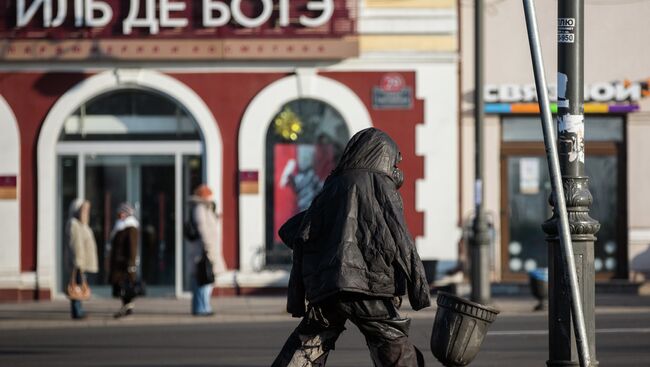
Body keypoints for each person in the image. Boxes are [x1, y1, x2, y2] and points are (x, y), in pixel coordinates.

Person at [272, 128, 431, 367]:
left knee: (310, 341)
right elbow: (402, 239)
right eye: (394, 162)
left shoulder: (334, 184)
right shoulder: (380, 185)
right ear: (383, 155)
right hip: (366, 285)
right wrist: (419, 291)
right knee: (392, 344)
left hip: (328, 285)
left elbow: (292, 230)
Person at [188, 184, 227, 316]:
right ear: (204, 196)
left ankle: (200, 307)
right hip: (204, 251)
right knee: (204, 280)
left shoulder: (205, 208)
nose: (211, 197)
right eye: (209, 194)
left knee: (203, 280)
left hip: (205, 249)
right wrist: (208, 246)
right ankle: (202, 308)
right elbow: (203, 228)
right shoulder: (200, 208)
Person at [66, 199, 98, 320]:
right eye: (83, 210)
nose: (85, 213)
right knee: (77, 287)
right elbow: (76, 245)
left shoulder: (81, 224)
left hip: (82, 262)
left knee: (79, 287)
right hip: (79, 262)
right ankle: (77, 311)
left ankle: (78, 310)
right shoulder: (74, 224)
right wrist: (78, 263)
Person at [109, 203, 140, 318]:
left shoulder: (131, 227)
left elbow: (132, 248)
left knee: (125, 286)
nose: (120, 215)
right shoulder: (121, 226)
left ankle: (127, 307)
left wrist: (131, 264)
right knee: (122, 286)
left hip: (124, 263)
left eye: (122, 212)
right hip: (119, 262)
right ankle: (127, 307)